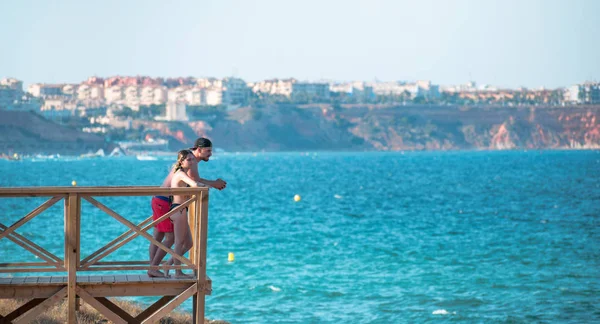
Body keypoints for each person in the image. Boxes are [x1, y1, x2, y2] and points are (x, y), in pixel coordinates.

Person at [148, 137, 227, 277]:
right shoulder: (191, 162)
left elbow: (192, 182)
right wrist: (214, 183)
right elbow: (195, 182)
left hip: (161, 199)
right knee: (169, 239)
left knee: (160, 237)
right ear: (199, 149)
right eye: (208, 151)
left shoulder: (185, 161)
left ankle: (155, 268)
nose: (210, 154)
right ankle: (155, 269)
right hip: (168, 202)